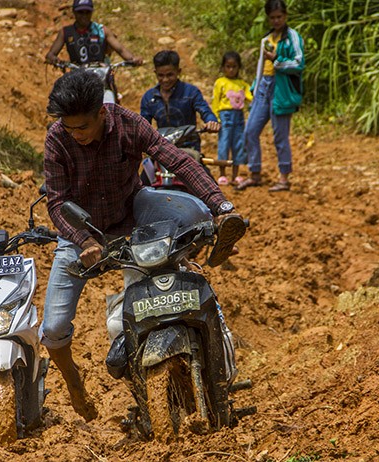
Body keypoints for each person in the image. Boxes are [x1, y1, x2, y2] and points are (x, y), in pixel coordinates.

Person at [41, 70, 246, 421]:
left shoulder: (128, 124)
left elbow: (177, 159)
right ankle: (75, 383)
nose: (77, 136)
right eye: (70, 128)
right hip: (80, 232)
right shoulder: (58, 138)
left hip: (131, 218)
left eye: (83, 128)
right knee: (54, 328)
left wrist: (221, 204)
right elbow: (57, 203)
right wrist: (85, 240)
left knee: (186, 223)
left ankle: (215, 228)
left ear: (102, 113)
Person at [235, 0, 304, 193]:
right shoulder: (266, 39)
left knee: (280, 136)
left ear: (285, 16)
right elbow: (260, 66)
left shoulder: (293, 37)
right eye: (272, 17)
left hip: (281, 89)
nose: (276, 20)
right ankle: (254, 173)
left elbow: (299, 63)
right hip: (263, 86)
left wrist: (278, 61)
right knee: (250, 131)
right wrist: (255, 87)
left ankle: (284, 178)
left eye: (279, 17)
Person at [140, 50, 220, 155]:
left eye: (170, 75)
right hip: (162, 149)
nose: (165, 80)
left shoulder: (190, 92)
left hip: (189, 147)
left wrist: (211, 122)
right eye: (161, 75)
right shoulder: (149, 98)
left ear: (179, 71)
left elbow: (204, 110)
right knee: (145, 171)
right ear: (155, 73)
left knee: (201, 171)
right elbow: (143, 125)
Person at [44, 0, 143, 67]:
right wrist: (54, 59)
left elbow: (121, 50)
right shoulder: (66, 32)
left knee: (109, 93)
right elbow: (51, 54)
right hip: (77, 75)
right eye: (80, 12)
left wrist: (133, 59)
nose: (84, 16)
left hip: (100, 73)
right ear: (74, 12)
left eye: (87, 12)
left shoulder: (101, 30)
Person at [212, 51, 253, 187]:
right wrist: (215, 118)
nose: (231, 70)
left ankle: (235, 175)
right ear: (223, 67)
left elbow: (250, 97)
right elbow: (216, 101)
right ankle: (222, 174)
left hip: (239, 117)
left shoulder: (242, 84)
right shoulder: (220, 82)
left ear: (238, 67)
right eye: (228, 66)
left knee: (238, 145)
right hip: (225, 116)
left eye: (234, 67)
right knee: (224, 144)